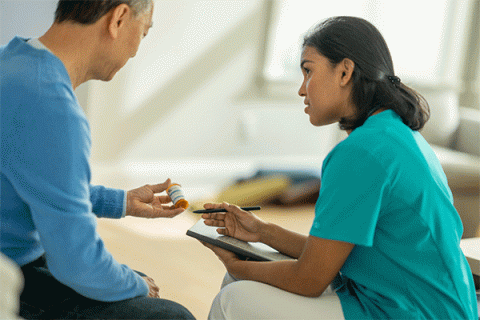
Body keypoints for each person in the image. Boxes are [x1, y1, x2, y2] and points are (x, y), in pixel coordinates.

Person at [197, 16, 478, 320]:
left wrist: (237, 265)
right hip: (415, 302)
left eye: (308, 71)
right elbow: (332, 255)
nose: (302, 90)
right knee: (240, 284)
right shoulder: (391, 134)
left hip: (414, 312)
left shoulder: (361, 153)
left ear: (345, 71)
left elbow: (310, 279)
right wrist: (263, 232)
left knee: (233, 299)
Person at [0, 1, 195, 319]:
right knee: (170, 315)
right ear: (118, 19)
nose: (134, 53)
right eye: (143, 34)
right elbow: (76, 262)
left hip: (12, 250)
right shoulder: (51, 106)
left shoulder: (11, 59)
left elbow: (35, 179)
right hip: (12, 268)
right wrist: (137, 283)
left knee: (123, 279)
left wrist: (123, 202)